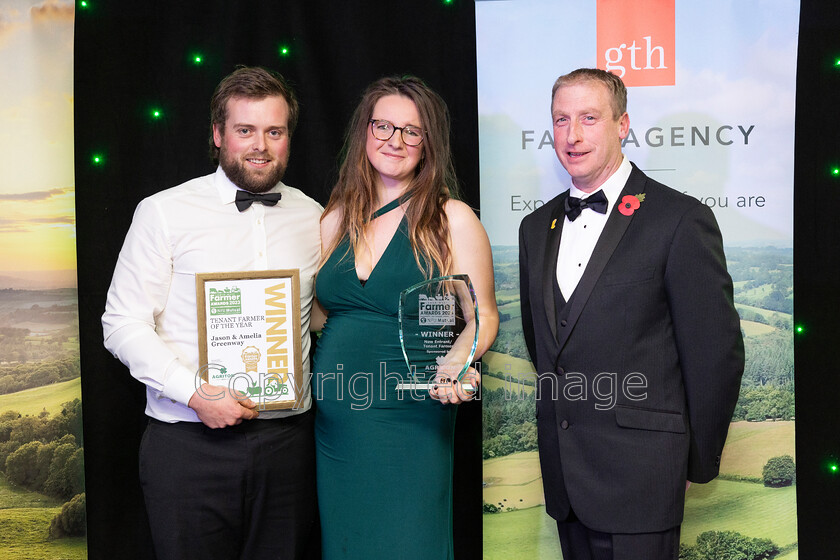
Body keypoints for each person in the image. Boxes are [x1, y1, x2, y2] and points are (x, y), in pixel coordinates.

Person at [518, 68, 744, 560]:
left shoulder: (679, 219)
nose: (572, 135)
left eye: (588, 118)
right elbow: (546, 347)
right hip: (566, 483)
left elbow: (715, 354)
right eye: (560, 120)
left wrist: (692, 462)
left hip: (645, 478)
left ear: (622, 125)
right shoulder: (535, 228)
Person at [102, 66, 322, 560]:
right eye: (245, 130)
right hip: (188, 446)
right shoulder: (163, 212)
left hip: (289, 446)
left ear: (288, 138)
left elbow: (320, 316)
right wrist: (195, 394)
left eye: (274, 131)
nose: (260, 145)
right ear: (219, 134)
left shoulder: (315, 216)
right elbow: (121, 323)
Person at [311, 75, 499, 559]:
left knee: (410, 541)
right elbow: (312, 319)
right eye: (384, 126)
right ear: (364, 132)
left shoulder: (451, 217)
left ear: (428, 144)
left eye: (411, 131)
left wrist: (453, 366)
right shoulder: (334, 218)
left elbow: (481, 318)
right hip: (337, 423)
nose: (394, 140)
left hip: (411, 416)